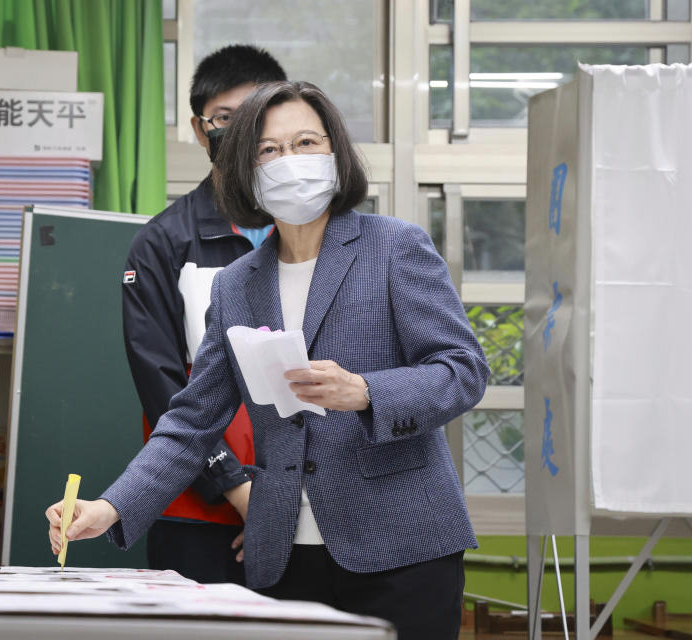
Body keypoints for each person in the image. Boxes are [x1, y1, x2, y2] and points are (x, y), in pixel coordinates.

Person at [48, 81, 490, 639]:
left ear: (336, 154)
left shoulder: (394, 247)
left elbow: (462, 371)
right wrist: (109, 508)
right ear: (246, 171)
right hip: (282, 555)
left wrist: (368, 392)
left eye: (307, 142)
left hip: (401, 548)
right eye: (269, 150)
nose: (291, 161)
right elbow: (190, 421)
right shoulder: (237, 284)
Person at [120, 44, 285, 585]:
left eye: (257, 118)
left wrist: (287, 500)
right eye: (225, 120)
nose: (241, 135)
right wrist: (240, 492)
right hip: (198, 510)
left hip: (310, 508)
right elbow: (163, 383)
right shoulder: (162, 244)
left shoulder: (320, 233)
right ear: (199, 130)